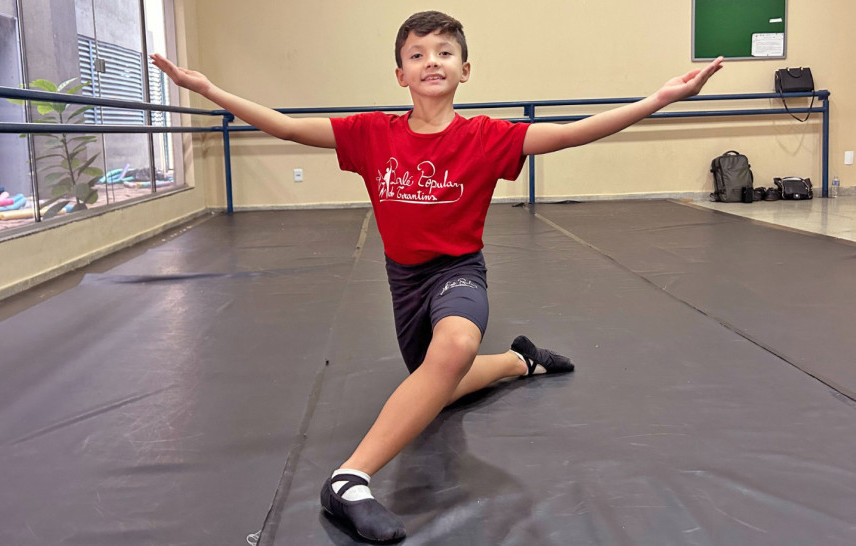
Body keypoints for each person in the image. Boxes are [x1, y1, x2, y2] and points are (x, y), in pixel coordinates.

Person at [151, 10, 722, 542]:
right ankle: (521, 360)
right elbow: (286, 128)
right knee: (438, 382)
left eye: (445, 52)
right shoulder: (372, 134)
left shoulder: (486, 138)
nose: (432, 61)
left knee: (454, 348)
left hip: (458, 272)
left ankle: (348, 481)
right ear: (400, 74)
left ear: (464, 70)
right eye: (417, 54)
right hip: (405, 284)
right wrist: (209, 90)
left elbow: (574, 132)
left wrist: (660, 99)